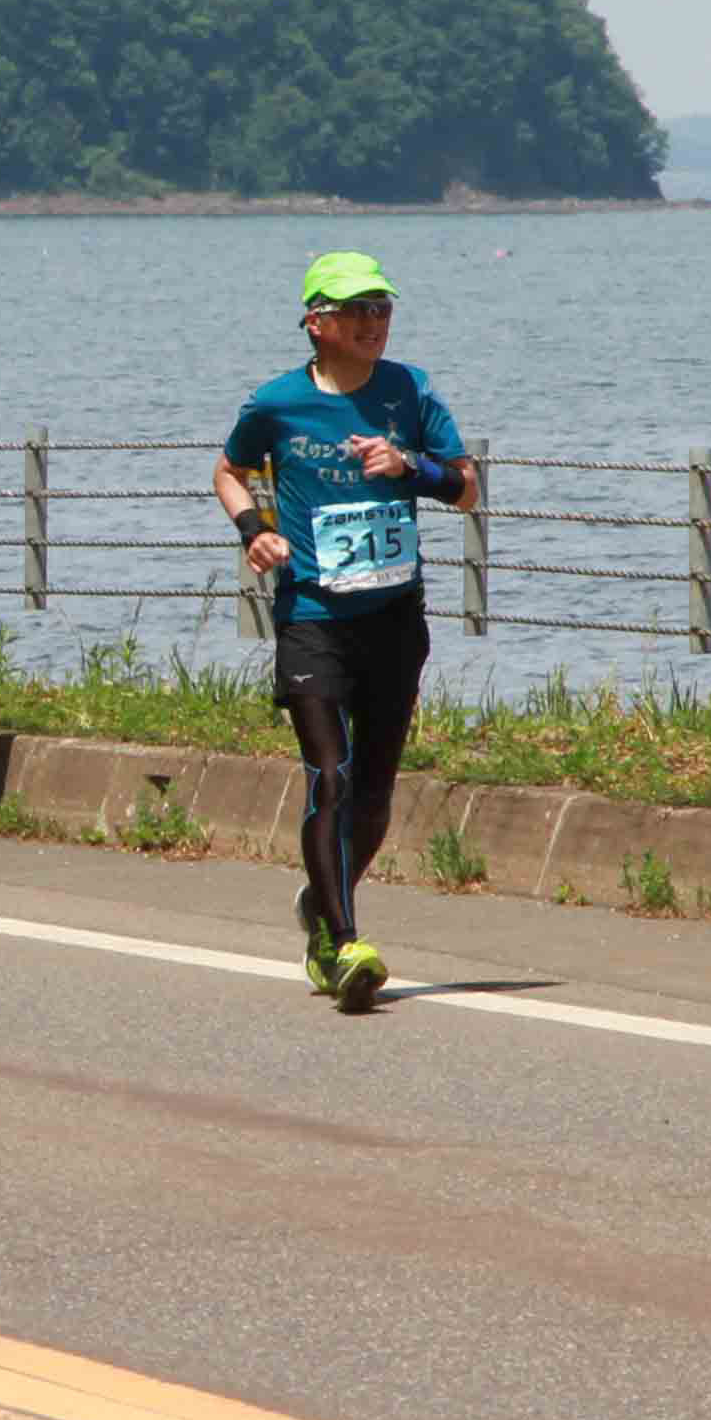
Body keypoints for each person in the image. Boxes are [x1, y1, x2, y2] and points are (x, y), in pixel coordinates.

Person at [217, 251, 475, 1009]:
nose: (372, 322)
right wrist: (254, 530)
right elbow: (229, 471)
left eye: (381, 309)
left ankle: (322, 905)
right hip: (313, 617)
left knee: (375, 792)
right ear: (316, 322)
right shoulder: (277, 403)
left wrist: (410, 467)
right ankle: (344, 939)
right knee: (331, 774)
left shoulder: (410, 390)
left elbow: (467, 489)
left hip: (393, 619)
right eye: (356, 310)